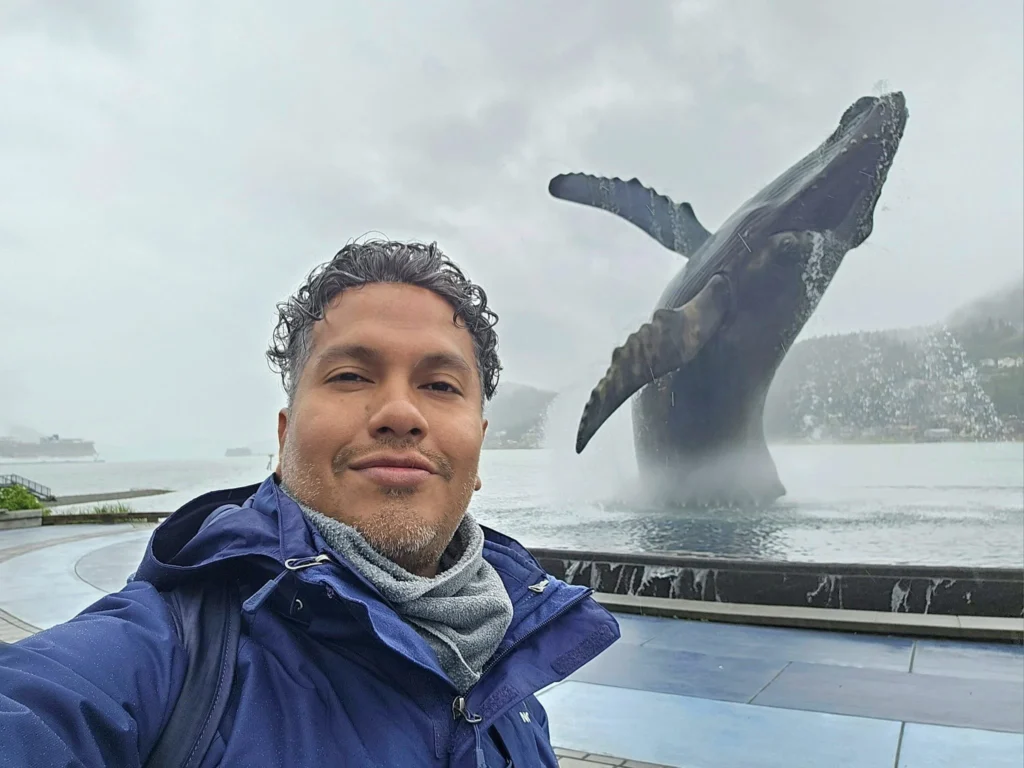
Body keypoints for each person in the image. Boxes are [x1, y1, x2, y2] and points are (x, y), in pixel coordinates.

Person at [0, 240, 621, 767]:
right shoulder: (165, 658)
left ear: (478, 449)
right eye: (351, 376)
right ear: (283, 433)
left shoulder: (513, 694)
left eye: (439, 385)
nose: (401, 414)